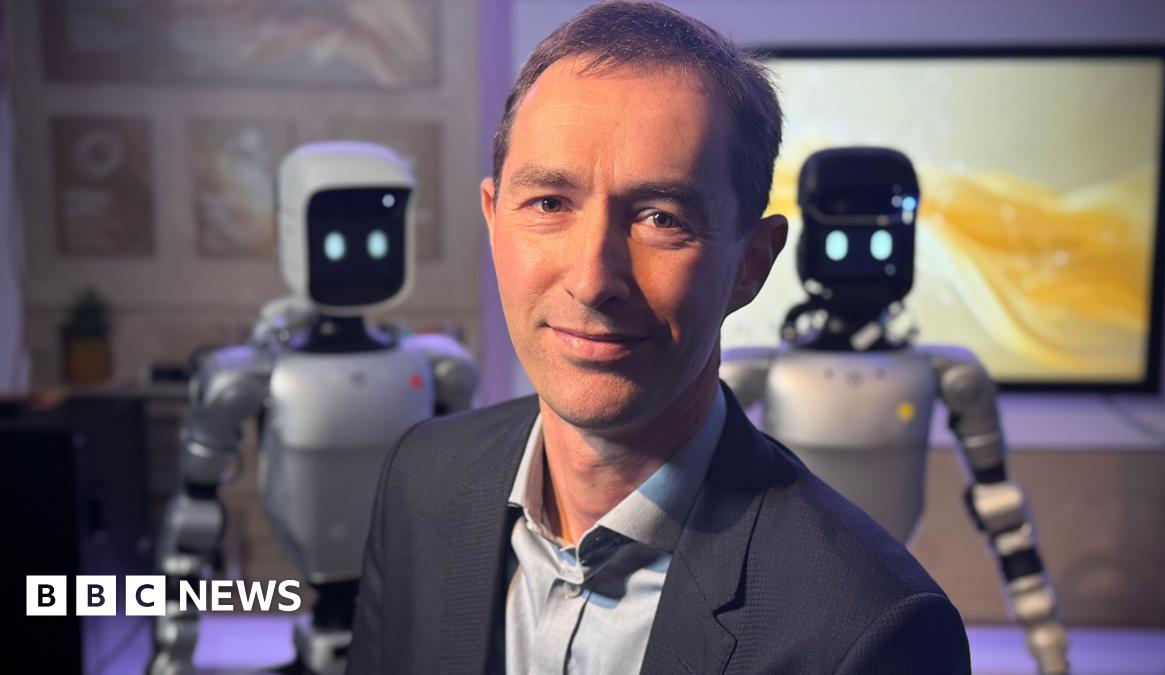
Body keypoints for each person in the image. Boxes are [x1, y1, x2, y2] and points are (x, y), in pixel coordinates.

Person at [348, 2, 971, 673]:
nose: (592, 281)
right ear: (494, 220)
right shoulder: (421, 480)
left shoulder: (871, 627)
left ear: (752, 264)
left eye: (660, 218)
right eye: (549, 204)